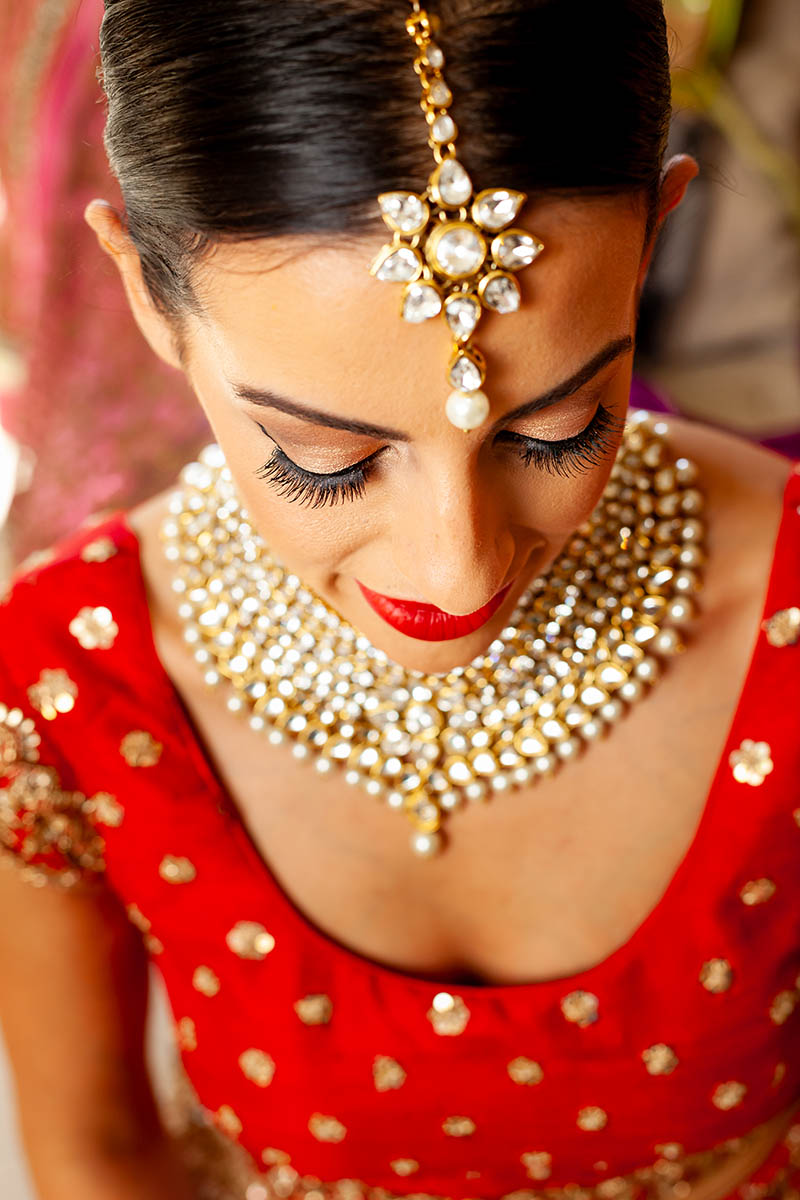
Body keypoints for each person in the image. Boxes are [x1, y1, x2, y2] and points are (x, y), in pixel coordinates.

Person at [1, 2, 799, 1199]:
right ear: (149, 298)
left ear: (646, 244)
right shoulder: (72, 676)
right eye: (323, 459)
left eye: (557, 428)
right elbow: (101, 1160)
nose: (456, 569)